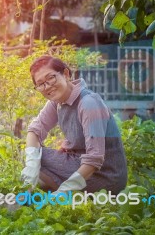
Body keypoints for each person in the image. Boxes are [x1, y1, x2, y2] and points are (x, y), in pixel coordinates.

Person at [21, 56, 127, 194]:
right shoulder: (57, 101)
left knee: (40, 158)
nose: (47, 86)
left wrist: (65, 190)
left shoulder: (89, 103)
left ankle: (65, 193)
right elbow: (35, 130)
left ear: (65, 74)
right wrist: (31, 166)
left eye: (51, 78)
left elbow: (94, 159)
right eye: (41, 84)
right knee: (33, 155)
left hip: (107, 177)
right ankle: (63, 195)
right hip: (79, 164)